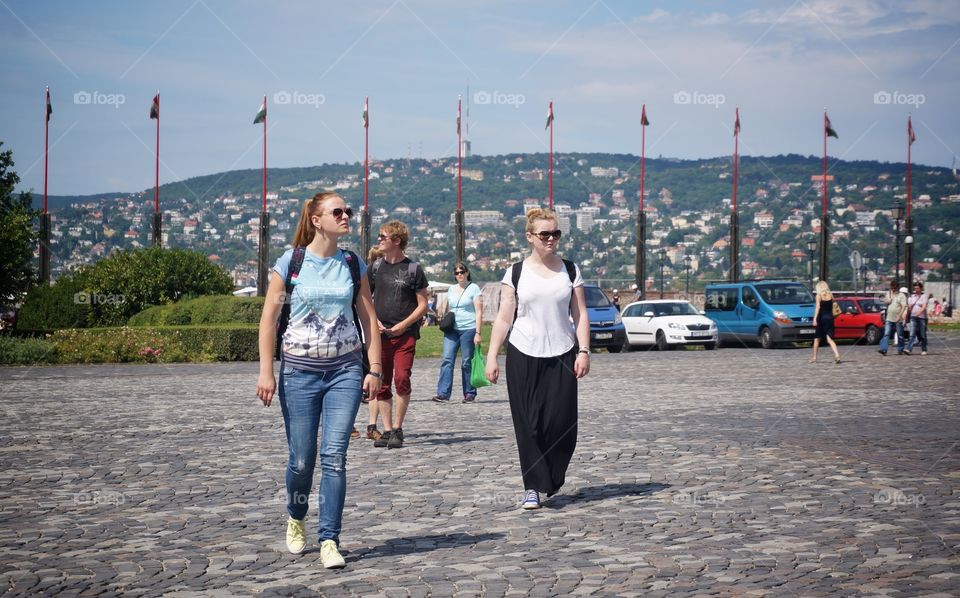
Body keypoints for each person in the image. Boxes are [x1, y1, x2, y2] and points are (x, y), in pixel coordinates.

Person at [255, 191, 382, 569]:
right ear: (316, 220)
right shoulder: (291, 262)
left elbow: (368, 319)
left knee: (335, 458)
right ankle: (296, 517)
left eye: (348, 211)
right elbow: (268, 320)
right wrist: (266, 371)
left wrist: (373, 368)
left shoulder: (352, 262)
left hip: (345, 370)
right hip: (299, 373)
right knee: (301, 461)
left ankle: (330, 539)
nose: (346, 216)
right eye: (338, 211)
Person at [485, 208, 590, 510]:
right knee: (528, 423)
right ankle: (532, 486)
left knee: (561, 423)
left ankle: (552, 476)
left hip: (562, 352)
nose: (551, 239)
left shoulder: (569, 270)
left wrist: (584, 350)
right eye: (545, 234)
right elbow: (504, 318)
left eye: (556, 233)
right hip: (523, 352)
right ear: (529, 236)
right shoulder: (515, 273)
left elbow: (580, 314)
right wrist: (492, 356)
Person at [369, 220, 429, 449]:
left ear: (396, 240)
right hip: (380, 336)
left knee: (402, 378)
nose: (379, 240)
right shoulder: (375, 268)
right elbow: (365, 299)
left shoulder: (414, 269)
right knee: (382, 383)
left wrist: (404, 325)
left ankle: (398, 428)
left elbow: (423, 305)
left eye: (382, 236)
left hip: (405, 335)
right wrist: (374, 321)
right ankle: (386, 429)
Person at [433, 262, 483, 403]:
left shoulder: (474, 288)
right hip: (452, 329)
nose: (459, 275)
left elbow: (479, 311)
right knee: (447, 360)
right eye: (457, 273)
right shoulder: (451, 289)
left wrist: (478, 332)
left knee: (466, 362)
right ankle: (443, 393)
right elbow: (451, 308)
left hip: (469, 328)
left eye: (462, 272)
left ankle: (469, 392)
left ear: (467, 273)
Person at [362, 245, 386, 441]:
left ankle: (371, 425)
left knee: (376, 381)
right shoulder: (364, 279)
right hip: (363, 337)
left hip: (377, 336)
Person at [810, 280, 841, 364]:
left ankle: (814, 358)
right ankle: (837, 355)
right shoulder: (831, 295)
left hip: (821, 319)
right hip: (830, 318)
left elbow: (818, 308)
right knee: (830, 339)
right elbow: (834, 305)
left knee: (817, 339)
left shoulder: (818, 296)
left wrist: (814, 318)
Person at [878, 282, 908, 356]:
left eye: (894, 288)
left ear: (897, 288)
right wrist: (888, 300)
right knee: (886, 333)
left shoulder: (902, 295)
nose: (893, 290)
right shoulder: (889, 293)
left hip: (898, 318)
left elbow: (904, 306)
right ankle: (884, 349)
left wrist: (900, 315)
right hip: (889, 317)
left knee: (900, 334)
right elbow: (885, 301)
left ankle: (900, 349)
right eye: (892, 288)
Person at [905, 282, 929, 355]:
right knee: (912, 333)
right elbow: (909, 307)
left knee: (922, 334)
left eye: (917, 288)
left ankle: (924, 349)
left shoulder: (924, 296)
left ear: (921, 288)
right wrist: (909, 308)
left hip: (922, 318)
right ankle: (909, 349)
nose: (916, 289)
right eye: (915, 288)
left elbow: (924, 306)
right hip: (913, 317)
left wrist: (919, 312)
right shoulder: (912, 297)